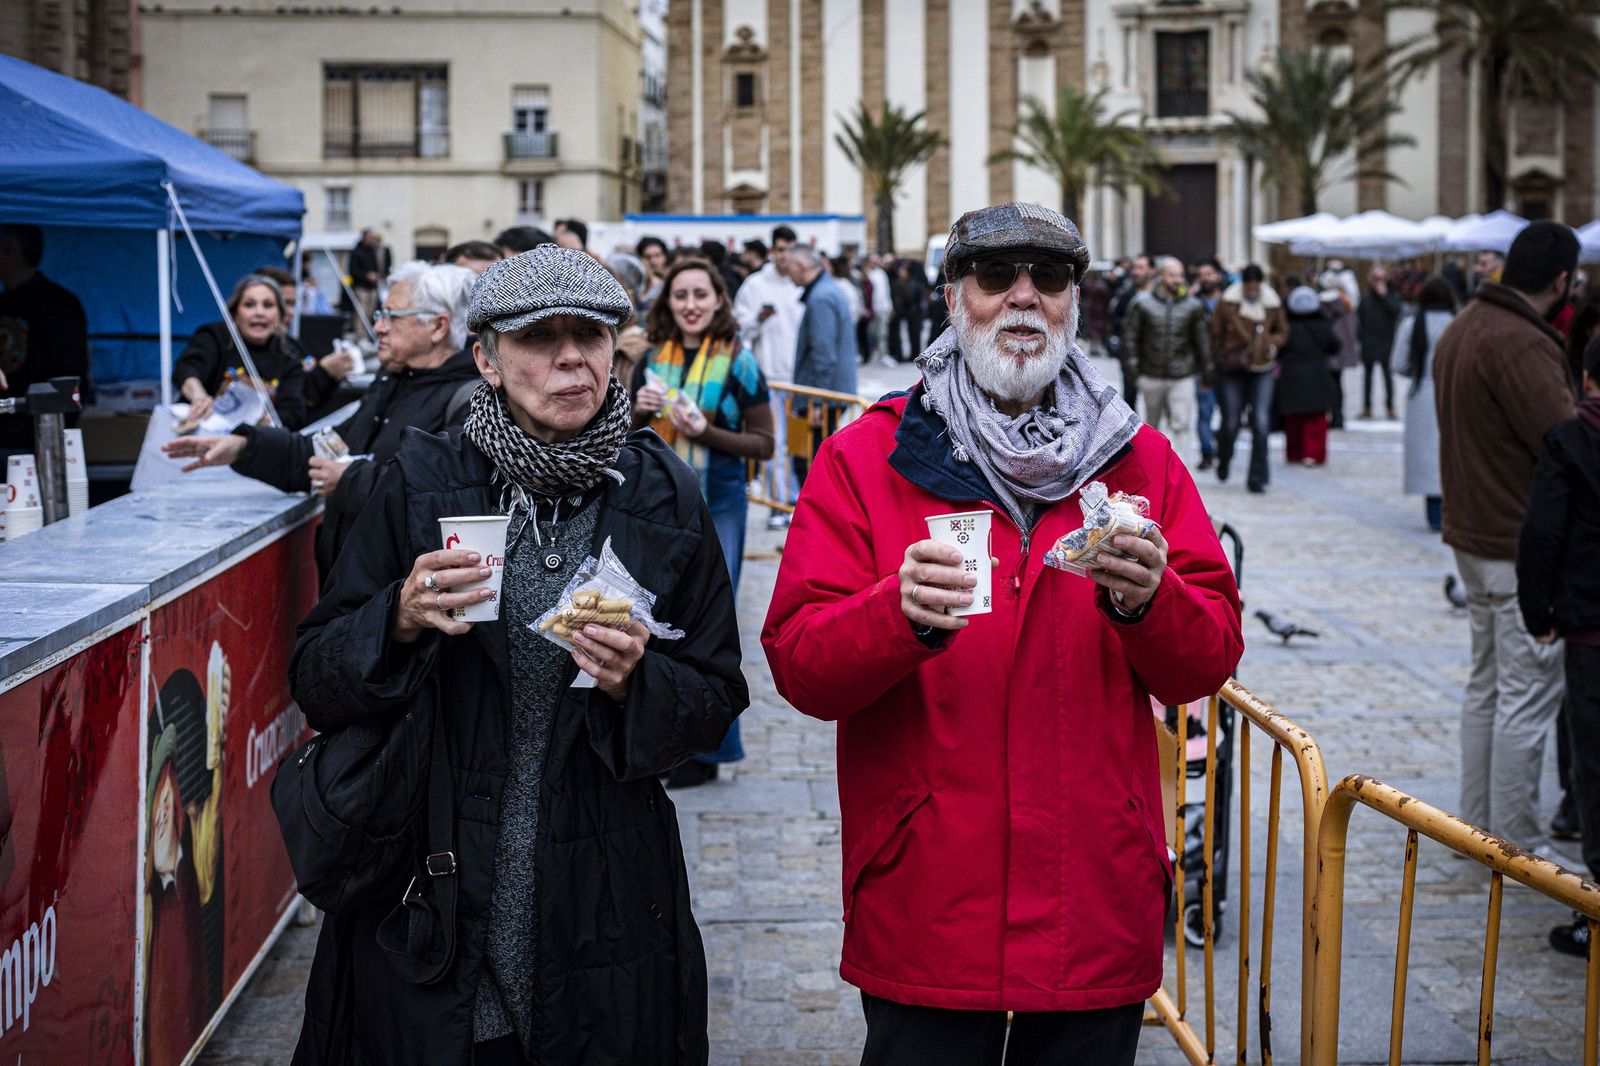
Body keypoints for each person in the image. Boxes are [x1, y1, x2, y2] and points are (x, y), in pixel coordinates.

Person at [762, 201, 1242, 1066]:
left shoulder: (1138, 458)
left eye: (1049, 278)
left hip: (1091, 895)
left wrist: (1149, 602)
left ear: (1074, 303)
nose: (1024, 296)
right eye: (996, 276)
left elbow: (1209, 656)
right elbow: (799, 661)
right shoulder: (868, 457)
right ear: (954, 297)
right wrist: (893, 613)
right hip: (929, 893)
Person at [286, 245, 748, 1065]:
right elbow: (318, 674)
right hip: (431, 887)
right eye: (542, 338)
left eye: (593, 334)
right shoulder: (419, 480)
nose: (573, 357)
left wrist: (638, 681)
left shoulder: (661, 492)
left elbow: (713, 697)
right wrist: (396, 617)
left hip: (602, 897)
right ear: (487, 360)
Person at [162, 262, 480, 577]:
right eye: (380, 316)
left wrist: (349, 479)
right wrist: (244, 446)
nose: (378, 328)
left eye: (391, 317)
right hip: (358, 595)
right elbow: (325, 448)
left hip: (409, 607)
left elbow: (441, 499)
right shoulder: (391, 386)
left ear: (438, 327)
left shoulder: (470, 402)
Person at [1436, 219, 1579, 857]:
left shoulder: (1465, 326)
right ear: (1562, 280)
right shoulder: (1520, 341)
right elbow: (1567, 443)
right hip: (1514, 541)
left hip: (1474, 536)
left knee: (1489, 686)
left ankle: (1476, 825)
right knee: (1524, 694)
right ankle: (1513, 841)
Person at [631, 257, 774, 787]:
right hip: (659, 506)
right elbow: (622, 435)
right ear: (668, 303)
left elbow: (765, 444)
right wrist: (636, 412)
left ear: (718, 301)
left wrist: (704, 430)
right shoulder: (651, 358)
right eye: (680, 295)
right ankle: (668, 739)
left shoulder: (740, 361)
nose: (690, 305)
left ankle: (708, 749)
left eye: (700, 294)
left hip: (721, 504)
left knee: (709, 622)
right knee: (659, 618)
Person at [1518, 336, 1600, 957]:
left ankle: (1594, 913)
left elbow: (1543, 534)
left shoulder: (1570, 441)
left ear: (1587, 378)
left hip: (1590, 629)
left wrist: (1538, 611)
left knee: (1594, 764)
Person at [732, 225, 806, 529]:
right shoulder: (754, 285)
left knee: (800, 445)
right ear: (771, 251)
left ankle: (798, 500)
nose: (784, 256)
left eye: (789, 249)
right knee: (776, 443)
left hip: (800, 380)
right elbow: (740, 326)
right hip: (770, 378)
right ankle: (779, 504)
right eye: (779, 249)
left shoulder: (802, 283)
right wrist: (758, 319)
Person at [172, 273, 311, 429]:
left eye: (268, 305)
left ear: (280, 314)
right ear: (235, 312)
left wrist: (267, 423)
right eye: (249, 304)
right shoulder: (215, 337)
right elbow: (187, 369)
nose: (259, 313)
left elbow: (293, 410)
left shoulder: (289, 354)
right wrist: (199, 397)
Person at [0, 224, 89, 457]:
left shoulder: (58, 305)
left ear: (9, 249)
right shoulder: (4, 302)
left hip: (38, 437)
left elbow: (71, 375)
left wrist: (59, 434)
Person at [1211, 264, 1288, 493]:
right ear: (1243, 285)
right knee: (1231, 422)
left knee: (1261, 423)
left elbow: (1283, 330)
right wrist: (1222, 354)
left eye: (1256, 287)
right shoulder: (1228, 303)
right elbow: (1214, 332)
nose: (1253, 292)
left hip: (1262, 367)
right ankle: (1224, 458)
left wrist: (1271, 343)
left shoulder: (1272, 303)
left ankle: (1258, 477)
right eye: (1249, 287)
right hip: (1233, 369)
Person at [1391, 276, 1457, 530]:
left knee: (1428, 459)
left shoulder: (1412, 324)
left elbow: (1398, 363)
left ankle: (1434, 514)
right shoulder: (1457, 323)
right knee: (1452, 453)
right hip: (1453, 392)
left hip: (1422, 392)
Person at [1122, 256, 1210, 445]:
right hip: (1150, 375)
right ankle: (1152, 470)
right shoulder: (1143, 304)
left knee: (1181, 425)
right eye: (1171, 275)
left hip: (1182, 375)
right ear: (1160, 276)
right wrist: (1134, 370)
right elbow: (1130, 338)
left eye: (1180, 275)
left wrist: (1207, 370)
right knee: (1150, 427)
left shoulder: (1193, 306)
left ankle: (1179, 471)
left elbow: (1202, 340)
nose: (1176, 280)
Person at [258, 263, 358, 418]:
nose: (289, 312)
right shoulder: (250, 351)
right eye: (283, 303)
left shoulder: (292, 345)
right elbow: (288, 398)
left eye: (292, 303)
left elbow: (312, 402)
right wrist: (324, 372)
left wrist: (333, 375)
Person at [1277, 285, 1340, 466]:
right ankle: (1313, 453)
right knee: (1315, 418)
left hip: (1292, 375)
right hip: (1317, 374)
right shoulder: (1322, 326)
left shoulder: (1287, 328)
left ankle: (1295, 453)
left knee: (1294, 419)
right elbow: (1334, 346)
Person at [1357, 264, 1403, 420]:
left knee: (1387, 376)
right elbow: (1359, 321)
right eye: (1376, 278)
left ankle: (1390, 407)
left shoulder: (1392, 296)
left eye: (1382, 278)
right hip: (1369, 341)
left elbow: (1396, 312)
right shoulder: (1365, 298)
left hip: (1386, 342)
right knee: (1367, 377)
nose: (1379, 282)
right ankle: (1367, 407)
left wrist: (1384, 296)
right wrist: (1361, 339)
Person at [1109, 253, 1154, 407]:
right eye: (1135, 267)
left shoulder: (1160, 295)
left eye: (1141, 268)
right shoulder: (1127, 294)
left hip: (1155, 355)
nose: (1136, 272)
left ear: (1152, 271)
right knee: (1130, 395)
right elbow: (1115, 318)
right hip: (1130, 353)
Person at [1318, 273, 1358, 430]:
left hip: (1328, 350)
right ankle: (1338, 416)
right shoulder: (1346, 304)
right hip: (1340, 350)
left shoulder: (1322, 304)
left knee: (1329, 385)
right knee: (1337, 384)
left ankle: (1332, 415)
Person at [347, 229, 390, 324]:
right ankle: (360, 335)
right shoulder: (356, 252)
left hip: (373, 287)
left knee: (370, 313)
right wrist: (366, 276)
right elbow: (353, 270)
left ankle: (367, 334)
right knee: (361, 312)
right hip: (361, 287)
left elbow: (379, 266)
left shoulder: (373, 251)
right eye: (370, 237)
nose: (372, 240)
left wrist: (376, 275)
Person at [866, 253, 894, 366]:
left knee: (883, 333)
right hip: (872, 309)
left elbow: (886, 291)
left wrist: (889, 306)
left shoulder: (881, 273)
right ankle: (870, 353)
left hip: (882, 308)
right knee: (870, 332)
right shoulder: (867, 273)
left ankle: (883, 354)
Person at [636, 235, 670, 311]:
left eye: (657, 255)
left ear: (665, 256)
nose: (653, 261)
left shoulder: (672, 279)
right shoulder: (636, 283)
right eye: (648, 257)